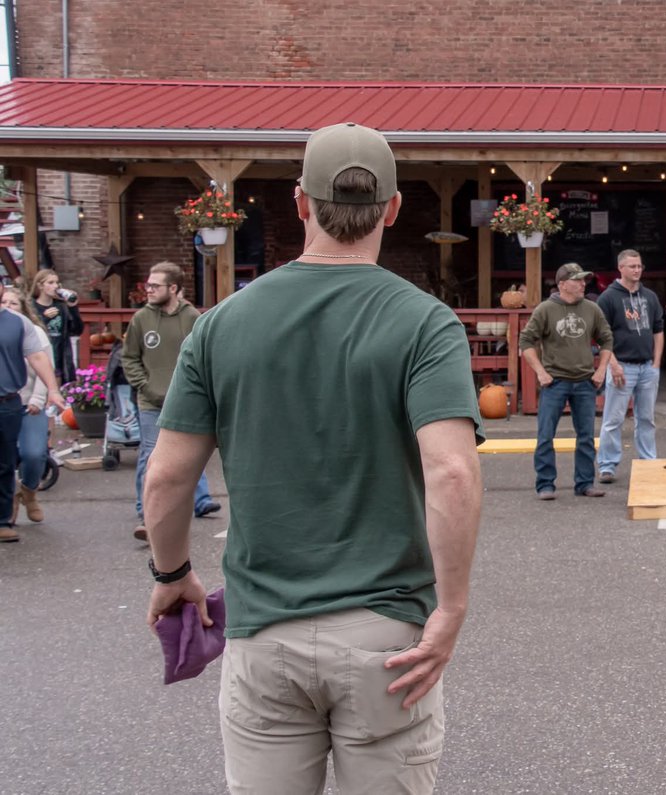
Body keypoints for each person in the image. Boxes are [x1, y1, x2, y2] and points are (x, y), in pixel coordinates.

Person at [143, 122, 484, 794]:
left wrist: (172, 569)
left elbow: (167, 475)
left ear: (301, 202)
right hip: (387, 635)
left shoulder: (221, 325)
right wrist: (450, 607)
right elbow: (451, 469)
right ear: (391, 208)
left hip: (265, 625)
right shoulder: (424, 322)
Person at [121, 261, 221, 542]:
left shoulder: (192, 318)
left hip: (186, 399)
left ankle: (201, 501)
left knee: (190, 453)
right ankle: (145, 510)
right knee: (150, 454)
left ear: (173, 288)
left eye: (155, 286)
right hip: (151, 401)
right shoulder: (141, 319)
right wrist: (145, 385)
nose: (149, 290)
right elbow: (129, 357)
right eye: (148, 285)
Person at [519, 262, 613, 499]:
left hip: (584, 382)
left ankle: (584, 483)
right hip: (555, 382)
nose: (583, 284)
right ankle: (545, 484)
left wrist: (601, 369)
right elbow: (526, 342)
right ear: (562, 284)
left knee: (585, 437)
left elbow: (606, 339)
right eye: (577, 280)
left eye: (584, 280)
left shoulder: (591, 309)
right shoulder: (545, 309)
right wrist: (540, 371)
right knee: (545, 435)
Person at [0, 289, 65, 543]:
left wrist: (52, 390)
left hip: (8, 401)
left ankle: (3, 520)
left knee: (5, 463)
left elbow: (37, 356)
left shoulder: (18, 323)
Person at [595, 249, 664, 483]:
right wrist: (612, 365)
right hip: (621, 365)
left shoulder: (650, 297)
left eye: (639, 266)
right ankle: (607, 465)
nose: (637, 270)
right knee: (613, 419)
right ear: (621, 268)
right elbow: (601, 335)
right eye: (632, 266)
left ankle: (648, 461)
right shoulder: (608, 298)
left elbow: (658, 330)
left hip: (646, 367)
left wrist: (656, 363)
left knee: (646, 418)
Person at [30, 269, 83, 385]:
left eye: (56, 282)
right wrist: (44, 318)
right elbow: (30, 332)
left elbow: (77, 330)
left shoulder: (61, 307)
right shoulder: (31, 307)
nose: (55, 286)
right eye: (50, 283)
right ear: (40, 285)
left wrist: (73, 308)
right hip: (41, 357)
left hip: (60, 358)